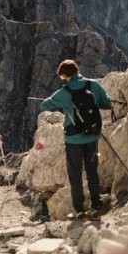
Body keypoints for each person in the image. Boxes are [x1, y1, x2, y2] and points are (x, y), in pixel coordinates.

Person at [37, 59, 112, 218]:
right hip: (92, 137)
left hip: (73, 140)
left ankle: (80, 211)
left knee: (75, 174)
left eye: (62, 77)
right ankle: (97, 205)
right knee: (92, 171)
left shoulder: (64, 92)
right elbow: (107, 103)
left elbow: (44, 106)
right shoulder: (94, 85)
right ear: (77, 71)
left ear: (64, 75)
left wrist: (64, 104)